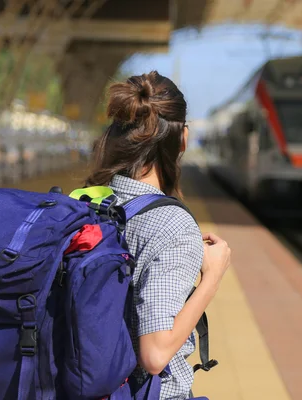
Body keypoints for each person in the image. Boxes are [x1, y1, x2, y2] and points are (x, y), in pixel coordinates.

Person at [84, 71, 231, 398]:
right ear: (183, 139)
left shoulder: (91, 199)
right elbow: (155, 353)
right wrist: (212, 277)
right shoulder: (171, 225)